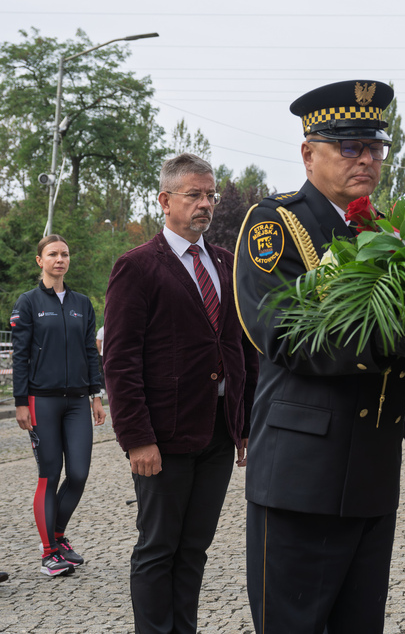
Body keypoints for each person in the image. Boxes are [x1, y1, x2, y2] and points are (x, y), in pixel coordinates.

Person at [235, 79, 405, 634]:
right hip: (302, 475)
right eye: (349, 147)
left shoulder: (392, 232)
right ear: (308, 153)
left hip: (373, 470)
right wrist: (390, 341)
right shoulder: (276, 224)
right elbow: (284, 334)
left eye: (376, 147)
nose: (367, 159)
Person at [104, 153, 259, 634]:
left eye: (211, 194)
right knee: (158, 548)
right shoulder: (137, 266)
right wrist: (137, 438)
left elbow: (242, 349)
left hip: (217, 432)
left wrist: (245, 425)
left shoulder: (225, 263)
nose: (206, 204)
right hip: (163, 437)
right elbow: (120, 359)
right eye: (194, 194)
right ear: (165, 200)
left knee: (194, 547)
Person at [10, 234, 105, 577]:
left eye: (64, 254)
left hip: (78, 400)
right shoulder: (28, 303)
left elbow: (90, 353)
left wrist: (96, 394)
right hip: (42, 400)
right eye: (52, 254)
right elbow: (20, 356)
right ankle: (48, 552)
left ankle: (59, 536)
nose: (59, 259)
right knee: (50, 475)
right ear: (40, 261)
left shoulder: (82, 303)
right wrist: (21, 402)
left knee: (78, 473)